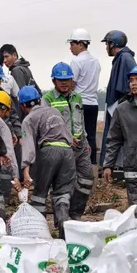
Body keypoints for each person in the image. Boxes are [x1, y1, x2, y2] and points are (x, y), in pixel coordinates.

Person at [17, 85, 76, 237]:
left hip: (49, 151)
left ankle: (40, 233)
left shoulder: (29, 119)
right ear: (39, 100)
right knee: (62, 194)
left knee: (39, 194)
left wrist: (26, 169)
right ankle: (64, 229)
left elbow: (28, 144)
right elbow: (69, 136)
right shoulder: (54, 111)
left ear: (23, 106)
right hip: (68, 153)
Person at [42, 62, 93, 221]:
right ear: (54, 81)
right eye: (60, 80)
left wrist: (86, 140)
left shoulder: (77, 97)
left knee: (86, 179)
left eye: (68, 80)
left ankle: (75, 213)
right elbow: (47, 125)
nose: (64, 83)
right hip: (61, 148)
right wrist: (67, 137)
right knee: (61, 186)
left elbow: (80, 120)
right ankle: (61, 220)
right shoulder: (47, 99)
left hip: (80, 147)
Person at [102, 65, 137, 206]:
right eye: (131, 80)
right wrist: (108, 165)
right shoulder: (122, 110)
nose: (133, 83)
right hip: (133, 169)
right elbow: (114, 139)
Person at [99, 30, 136, 170]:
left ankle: (118, 167)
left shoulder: (125, 58)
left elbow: (131, 84)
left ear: (112, 43)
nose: (106, 47)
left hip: (120, 106)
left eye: (107, 44)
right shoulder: (121, 58)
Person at [68, 29, 101, 165]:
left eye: (72, 44)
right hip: (93, 103)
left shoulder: (76, 62)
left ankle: (79, 165)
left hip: (79, 104)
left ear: (81, 44)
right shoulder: (96, 61)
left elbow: (70, 85)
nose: (71, 48)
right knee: (91, 137)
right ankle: (92, 166)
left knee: (77, 135)